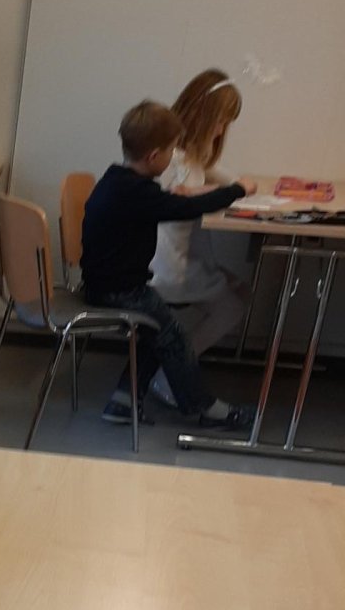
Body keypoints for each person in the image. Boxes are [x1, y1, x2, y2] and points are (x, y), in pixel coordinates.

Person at [81, 100, 256, 429]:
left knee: (156, 331)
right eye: (171, 150)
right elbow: (184, 208)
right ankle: (203, 408)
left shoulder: (117, 180)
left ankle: (122, 402)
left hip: (104, 284)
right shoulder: (139, 193)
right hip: (122, 291)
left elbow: (176, 201)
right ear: (153, 157)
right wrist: (237, 190)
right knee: (173, 337)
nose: (174, 155)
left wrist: (197, 192)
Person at [150, 70, 251, 405]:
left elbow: (232, 181)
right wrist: (232, 189)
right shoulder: (174, 161)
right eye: (220, 122)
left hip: (175, 260)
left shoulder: (189, 156)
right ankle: (170, 374)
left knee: (238, 291)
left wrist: (239, 186)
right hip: (164, 267)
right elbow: (180, 195)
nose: (222, 131)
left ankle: (171, 368)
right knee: (232, 305)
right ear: (204, 117)